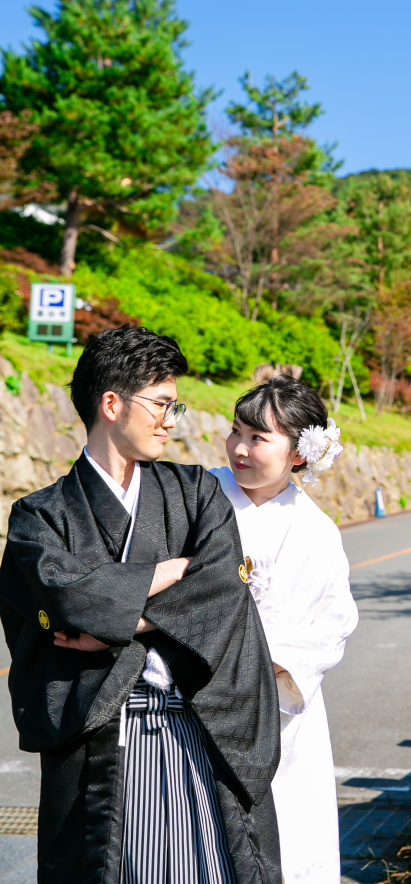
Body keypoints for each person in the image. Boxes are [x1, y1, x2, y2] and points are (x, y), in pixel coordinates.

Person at [0, 326, 282, 884]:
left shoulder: (196, 493)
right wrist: (165, 573)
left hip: (200, 733)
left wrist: (127, 621)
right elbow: (63, 601)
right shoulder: (39, 516)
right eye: (161, 404)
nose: (172, 419)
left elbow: (225, 588)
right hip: (98, 741)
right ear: (111, 403)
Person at [209, 376, 358, 884]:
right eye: (235, 432)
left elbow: (335, 623)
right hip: (193, 691)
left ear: (299, 452)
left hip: (274, 704)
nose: (240, 448)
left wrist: (264, 661)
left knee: (285, 837)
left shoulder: (316, 530)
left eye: (258, 437)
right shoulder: (198, 495)